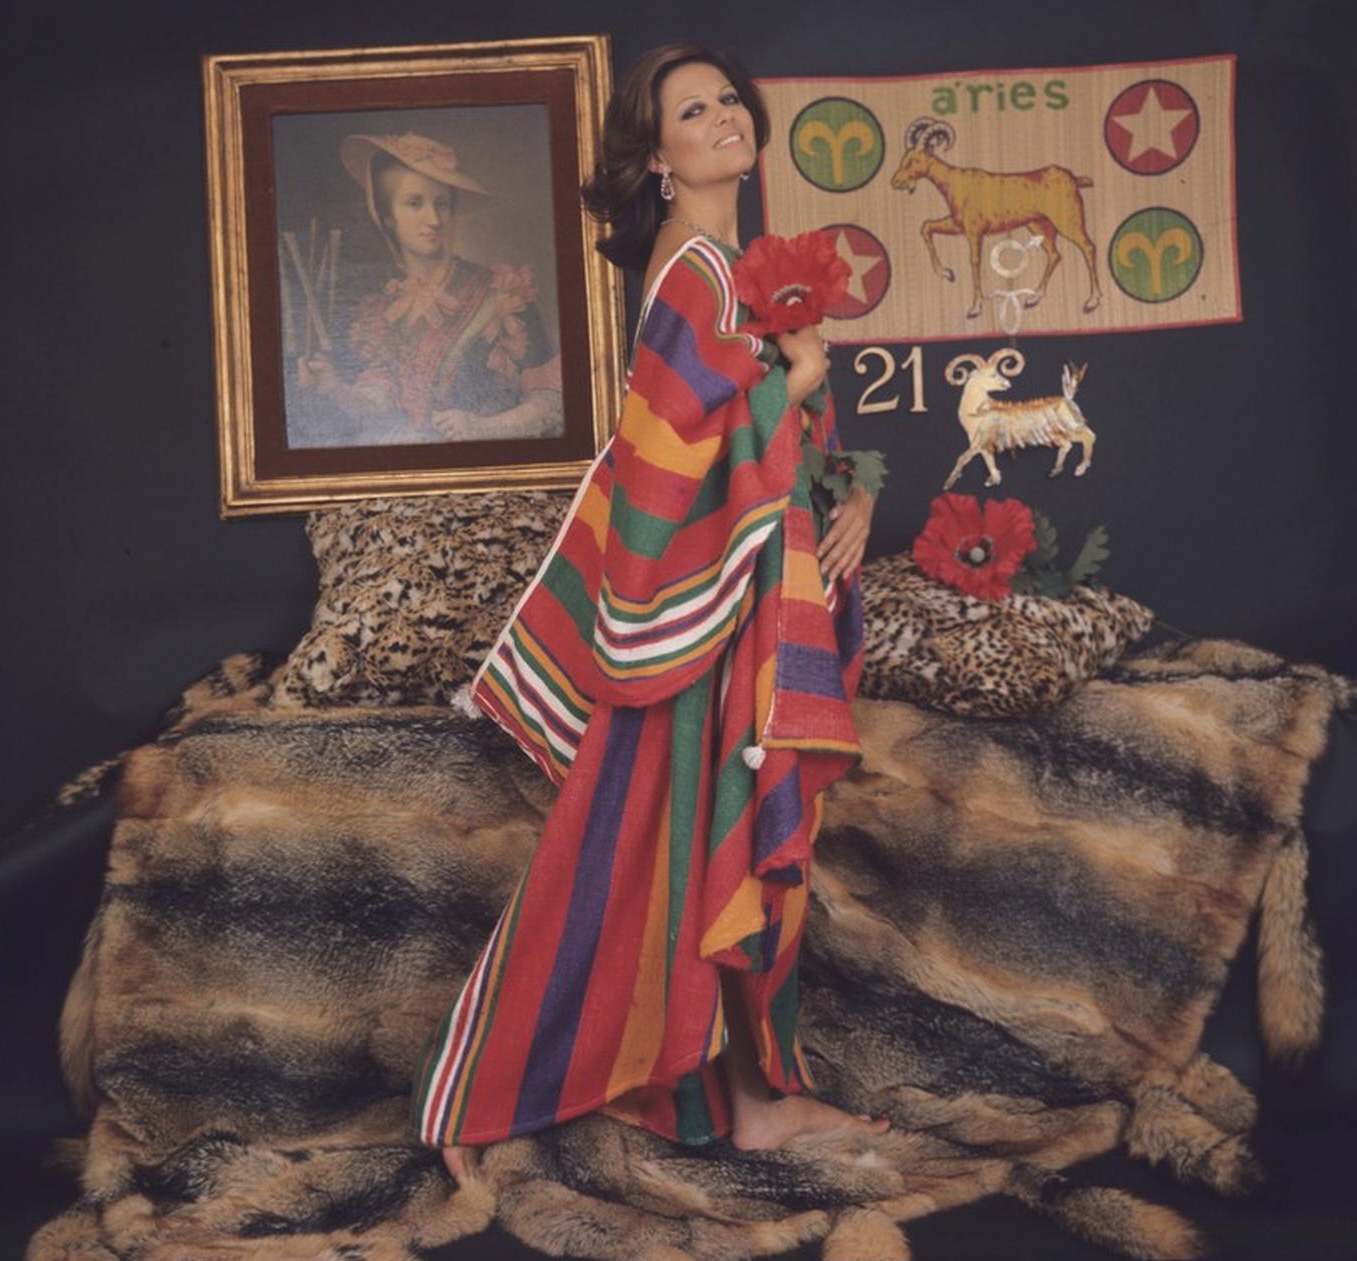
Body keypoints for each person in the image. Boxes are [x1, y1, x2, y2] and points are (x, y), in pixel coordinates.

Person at [411, 44, 883, 1183]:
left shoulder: (734, 268)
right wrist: (797, 381)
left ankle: (751, 1104)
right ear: (659, 158)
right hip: (699, 619)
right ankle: (490, 1096)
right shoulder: (690, 275)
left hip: (737, 604)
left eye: (728, 101)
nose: (722, 117)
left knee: (697, 857)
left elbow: (765, 438)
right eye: (691, 111)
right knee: (641, 857)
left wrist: (852, 492)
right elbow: (664, 454)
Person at [295, 131, 563, 445]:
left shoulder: (502, 294)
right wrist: (336, 388)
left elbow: (552, 404)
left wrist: (483, 428)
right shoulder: (383, 310)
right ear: (387, 217)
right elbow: (381, 401)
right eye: (414, 203)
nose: (434, 219)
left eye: (442, 204)